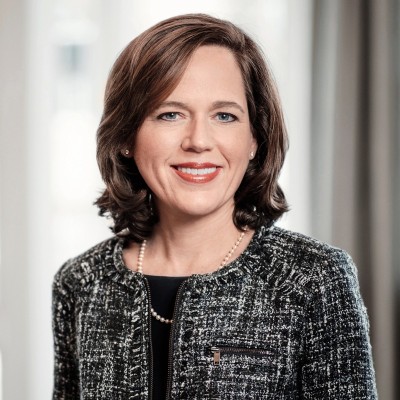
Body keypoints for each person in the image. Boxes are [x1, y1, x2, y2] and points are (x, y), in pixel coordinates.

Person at [52, 13, 377, 399]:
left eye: (225, 116)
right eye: (170, 114)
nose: (199, 141)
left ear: (254, 138)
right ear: (126, 136)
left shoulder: (314, 280)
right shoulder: (80, 282)